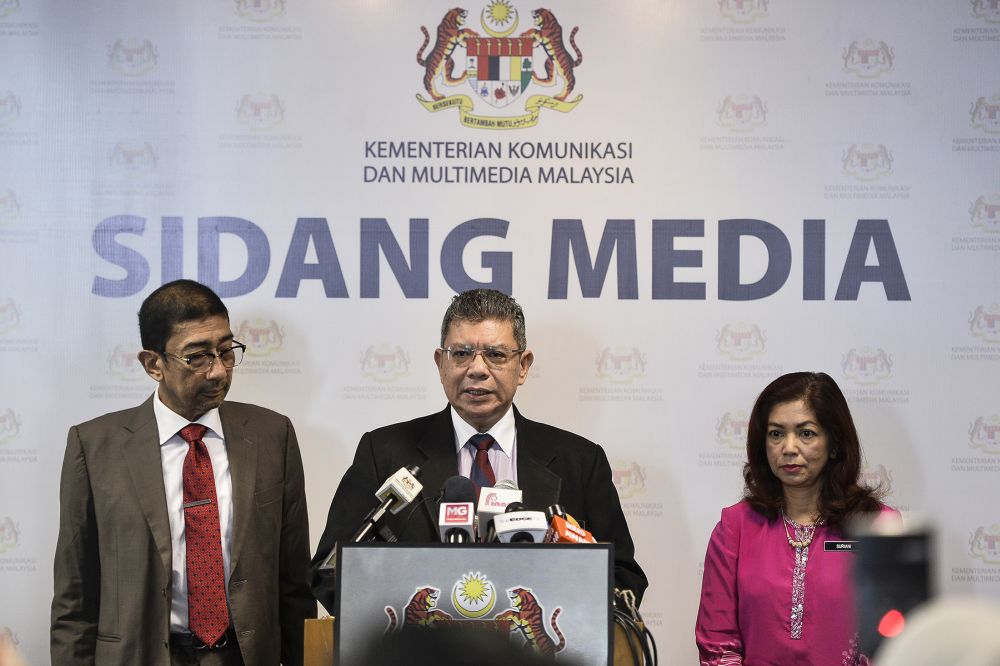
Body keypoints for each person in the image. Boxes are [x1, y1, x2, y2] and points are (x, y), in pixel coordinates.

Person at [310, 288, 646, 612]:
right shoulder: (384, 453)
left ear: (524, 365)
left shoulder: (580, 462)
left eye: (496, 355)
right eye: (462, 353)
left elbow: (623, 578)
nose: (477, 369)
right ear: (441, 363)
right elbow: (331, 572)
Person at [51, 279, 315, 666]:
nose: (218, 372)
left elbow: (295, 586)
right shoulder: (93, 447)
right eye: (198, 357)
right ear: (153, 364)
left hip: (243, 655)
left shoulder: (272, 436)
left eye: (226, 351)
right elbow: (75, 599)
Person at [695, 371, 898, 666]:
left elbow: (893, 646)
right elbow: (717, 644)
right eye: (776, 433)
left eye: (806, 433)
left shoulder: (877, 526)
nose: (789, 448)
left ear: (835, 444)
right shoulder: (735, 527)